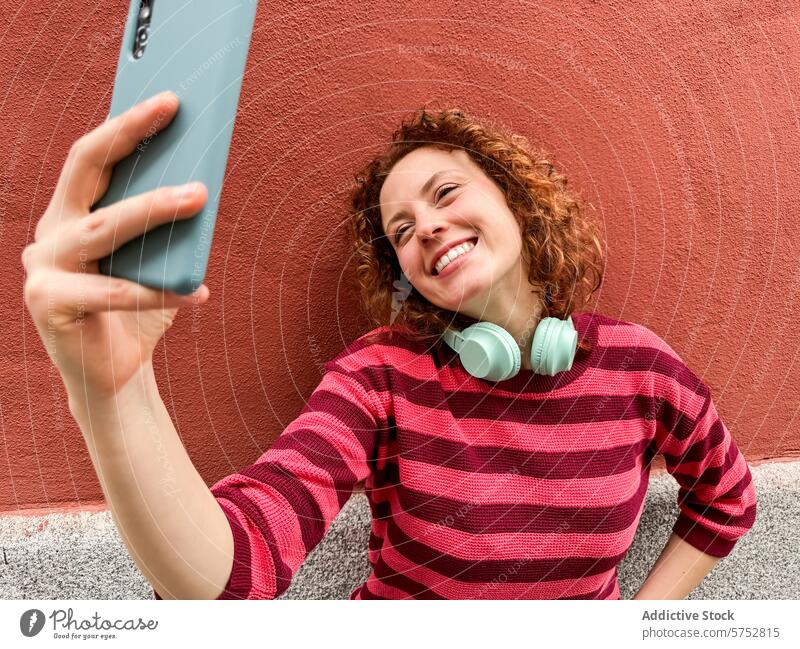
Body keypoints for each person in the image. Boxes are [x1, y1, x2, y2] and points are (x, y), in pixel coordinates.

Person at [22, 91, 756, 600]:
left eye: (444, 194)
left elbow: (726, 499)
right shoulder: (380, 376)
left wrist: (641, 623)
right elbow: (234, 574)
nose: (426, 228)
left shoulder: (642, 369)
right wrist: (115, 398)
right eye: (400, 230)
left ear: (518, 201)